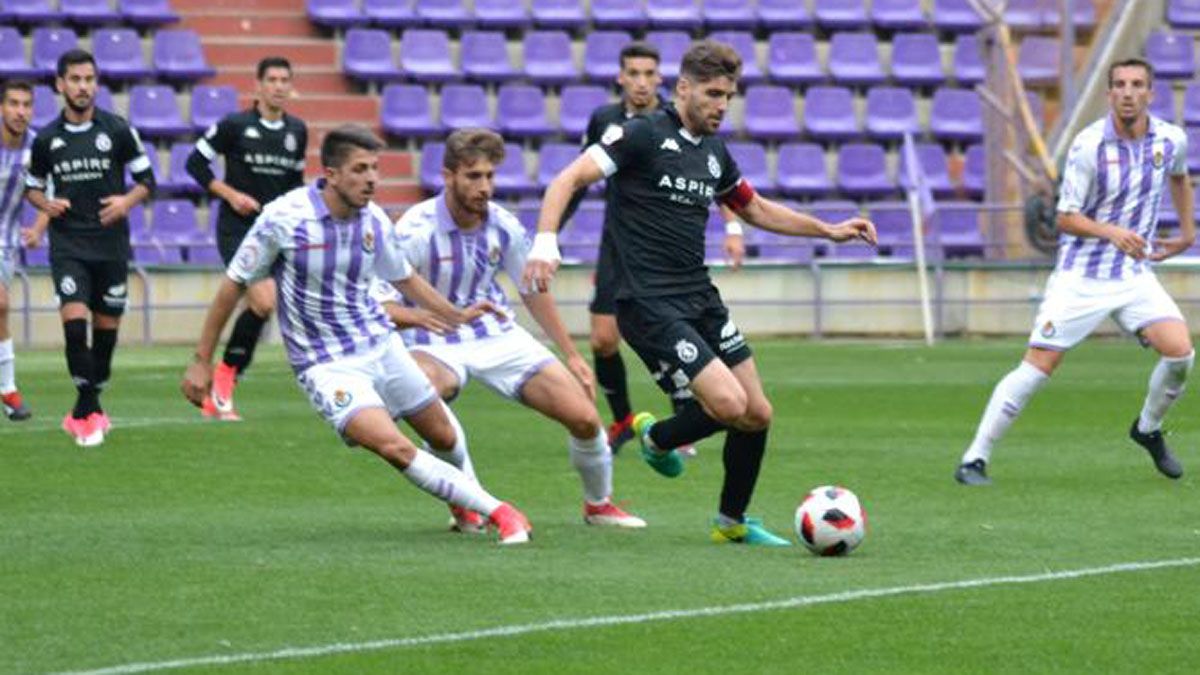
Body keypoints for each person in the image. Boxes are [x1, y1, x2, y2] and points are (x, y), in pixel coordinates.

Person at [523, 41, 876, 546]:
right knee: (729, 405)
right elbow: (567, 178)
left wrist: (829, 230)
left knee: (758, 412)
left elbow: (755, 209)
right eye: (713, 93)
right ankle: (655, 437)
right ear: (684, 88)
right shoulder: (641, 135)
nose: (721, 105)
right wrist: (544, 243)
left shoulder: (713, 152)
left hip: (699, 296)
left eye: (729, 96)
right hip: (647, 302)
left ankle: (730, 522)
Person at [180, 124, 532, 544]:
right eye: (361, 169)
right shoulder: (285, 218)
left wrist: (453, 315)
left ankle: (464, 503)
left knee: (445, 435)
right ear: (330, 173)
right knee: (395, 447)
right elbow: (233, 285)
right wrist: (202, 360)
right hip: (326, 365)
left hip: (381, 345)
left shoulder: (374, 220)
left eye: (376, 169)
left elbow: (404, 278)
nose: (372, 179)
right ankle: (501, 512)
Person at [373, 128, 645, 529]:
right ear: (448, 176)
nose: (484, 187)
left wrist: (571, 354)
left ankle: (598, 505)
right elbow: (380, 303)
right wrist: (425, 317)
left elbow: (532, 290)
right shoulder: (415, 230)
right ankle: (465, 501)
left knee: (585, 418)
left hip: (496, 335)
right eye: (473, 177)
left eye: (489, 176)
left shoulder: (503, 225)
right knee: (428, 397)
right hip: (431, 338)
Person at [955, 58, 1195, 486]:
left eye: (1137, 84)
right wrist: (1111, 232)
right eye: (1119, 84)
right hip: (1080, 277)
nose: (1127, 92)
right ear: (1108, 94)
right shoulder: (1089, 147)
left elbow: (1179, 177)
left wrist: (1187, 232)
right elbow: (1064, 218)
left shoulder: (1169, 139)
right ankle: (974, 459)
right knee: (1038, 366)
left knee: (1180, 352)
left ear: (1150, 94)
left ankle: (1147, 429)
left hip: (1133, 275)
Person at [562, 41, 745, 455]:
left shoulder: (680, 120)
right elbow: (577, 179)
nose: (642, 82)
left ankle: (681, 418)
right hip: (618, 243)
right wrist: (549, 237)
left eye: (649, 73)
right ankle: (624, 420)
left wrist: (733, 228)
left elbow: (716, 182)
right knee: (604, 340)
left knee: (667, 327)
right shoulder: (606, 120)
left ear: (663, 80)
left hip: (666, 262)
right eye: (634, 73)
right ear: (620, 77)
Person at [24, 49, 156, 446]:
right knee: (74, 323)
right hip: (69, 245)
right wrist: (44, 204)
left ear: (96, 84)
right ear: (60, 85)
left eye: (89, 79)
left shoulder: (117, 130)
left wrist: (125, 202)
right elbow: (31, 186)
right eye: (76, 80)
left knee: (106, 338)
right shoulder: (48, 139)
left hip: (111, 245)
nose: (83, 87)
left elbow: (147, 180)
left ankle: (84, 408)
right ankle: (91, 413)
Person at [186, 56, 308, 421]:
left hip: (275, 231)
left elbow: (294, 186)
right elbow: (194, 163)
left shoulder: (297, 131)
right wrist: (230, 194)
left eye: (285, 79)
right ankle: (219, 382)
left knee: (261, 307)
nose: (279, 86)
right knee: (263, 300)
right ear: (257, 85)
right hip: (238, 228)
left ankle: (222, 381)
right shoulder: (234, 125)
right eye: (271, 79)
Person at [0, 80, 38, 421]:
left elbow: (45, 191)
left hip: (6, 241)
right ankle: (9, 389)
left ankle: (7, 387)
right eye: (13, 103)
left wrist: (39, 227)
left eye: (26, 104)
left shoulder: (37, 147)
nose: (20, 111)